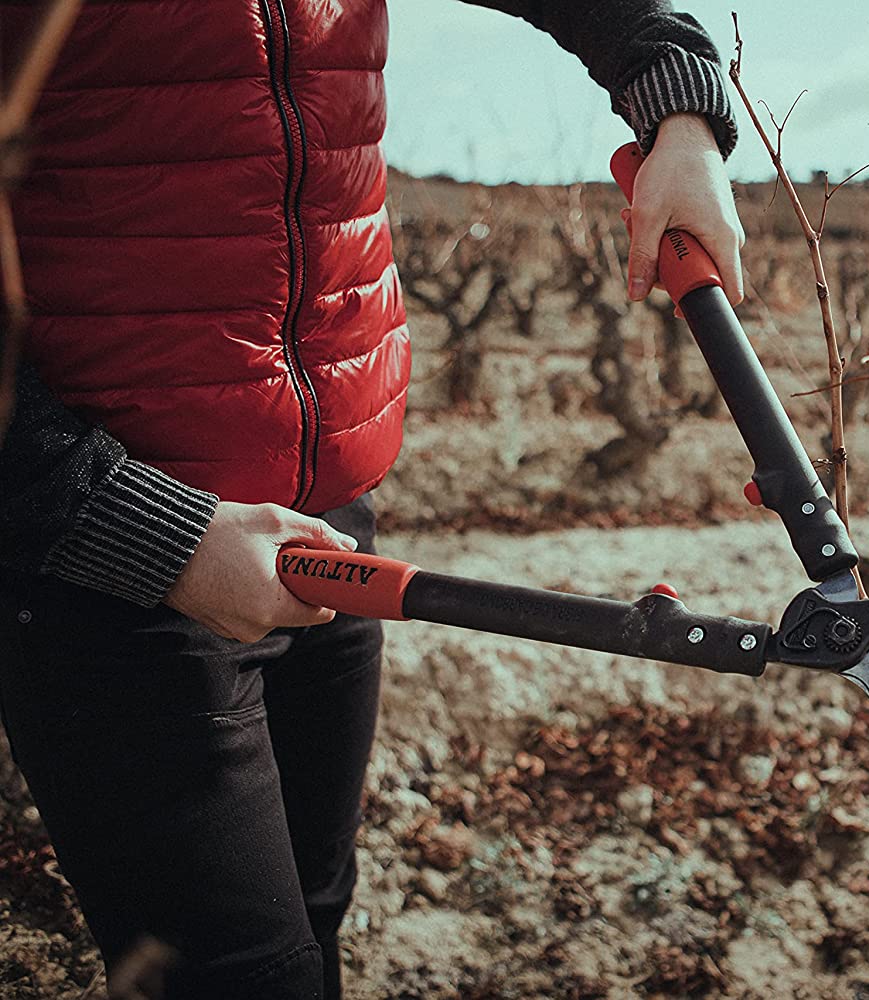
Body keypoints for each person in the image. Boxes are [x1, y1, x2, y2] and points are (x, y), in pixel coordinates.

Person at [0, 3, 744, 997]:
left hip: (331, 519)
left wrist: (680, 113)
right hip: (110, 561)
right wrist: (148, 532)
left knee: (316, 918)